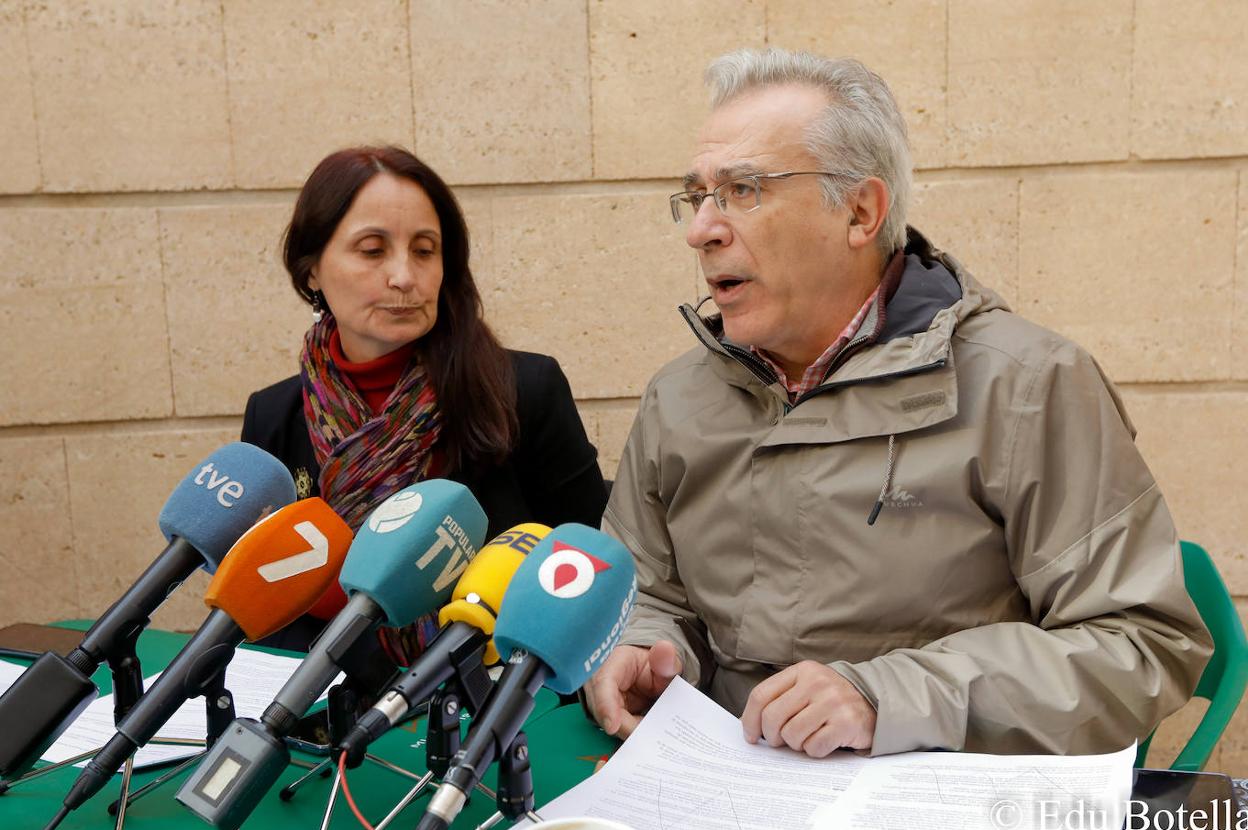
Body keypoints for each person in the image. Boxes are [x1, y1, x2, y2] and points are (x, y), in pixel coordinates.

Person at [585, 48, 1212, 758]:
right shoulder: (680, 398)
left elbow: (1142, 644)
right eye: (696, 196)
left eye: (744, 190)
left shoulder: (1026, 385)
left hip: (942, 794)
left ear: (860, 212)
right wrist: (641, 646)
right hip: (731, 787)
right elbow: (648, 592)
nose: (702, 229)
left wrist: (889, 698)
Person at [242, 146, 607, 656]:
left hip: (502, 702)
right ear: (311, 272)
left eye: (424, 249)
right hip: (333, 708)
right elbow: (271, 608)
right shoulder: (274, 417)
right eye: (372, 250)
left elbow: (590, 561)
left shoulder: (524, 389)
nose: (404, 277)